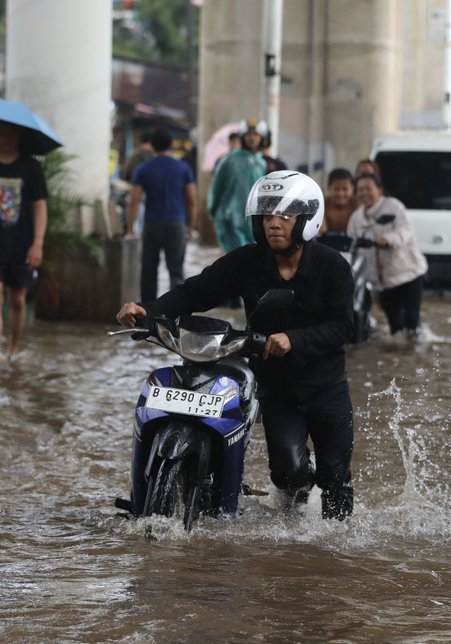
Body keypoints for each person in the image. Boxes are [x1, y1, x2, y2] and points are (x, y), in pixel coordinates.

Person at [117, 170, 355, 521]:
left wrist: (295, 339)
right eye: (267, 215)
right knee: (287, 474)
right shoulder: (247, 261)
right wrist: (147, 310)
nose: (274, 223)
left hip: (326, 387)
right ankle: (301, 493)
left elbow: (344, 326)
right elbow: (195, 291)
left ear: (306, 220)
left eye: (285, 216)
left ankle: (334, 555)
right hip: (277, 389)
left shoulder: (333, 266)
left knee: (335, 481)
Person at [347, 172, 428, 339]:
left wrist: (387, 239)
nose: (364, 193)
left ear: (380, 190)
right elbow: (351, 245)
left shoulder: (394, 206)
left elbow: (405, 230)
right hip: (381, 281)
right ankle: (398, 352)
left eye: (368, 188)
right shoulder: (356, 218)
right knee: (394, 324)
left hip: (409, 273)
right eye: (360, 189)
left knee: (412, 318)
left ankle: (414, 351)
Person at [126, 126, 197, 302]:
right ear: (170, 145)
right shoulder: (183, 168)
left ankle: (148, 314)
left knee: (149, 271)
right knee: (176, 271)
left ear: (153, 145)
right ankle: (176, 312)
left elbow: (134, 200)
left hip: (151, 225)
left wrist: (130, 228)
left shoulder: (143, 169)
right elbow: (191, 200)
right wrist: (190, 226)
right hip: (176, 224)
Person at [0, 121, 48, 360]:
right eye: (3, 134)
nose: (7, 139)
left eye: (11, 134)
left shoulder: (31, 167)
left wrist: (38, 243)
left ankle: (14, 348)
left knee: (18, 300)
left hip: (21, 244)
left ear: (19, 137)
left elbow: (40, 207)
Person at [207, 118, 267, 252]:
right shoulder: (229, 160)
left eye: (256, 135)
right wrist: (214, 211)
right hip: (230, 218)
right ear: (243, 137)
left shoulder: (261, 162)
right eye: (249, 134)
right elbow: (217, 188)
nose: (252, 138)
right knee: (235, 260)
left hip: (254, 220)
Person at [320, 167, 357, 233]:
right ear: (329, 189)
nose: (340, 194)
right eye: (337, 189)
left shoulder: (357, 204)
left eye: (345, 189)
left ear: (352, 189)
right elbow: (322, 230)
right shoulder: (322, 204)